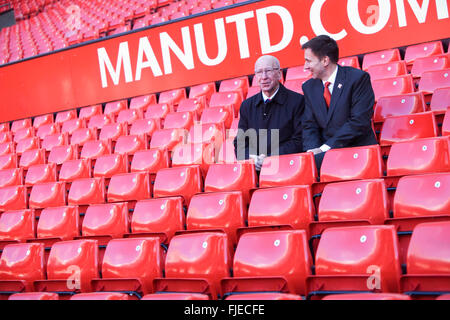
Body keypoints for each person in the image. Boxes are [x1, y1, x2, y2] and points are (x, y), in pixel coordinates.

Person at [301, 35, 378, 171]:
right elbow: (309, 125)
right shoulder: (309, 87)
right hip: (327, 157)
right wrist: (312, 151)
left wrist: (325, 149)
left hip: (358, 152)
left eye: (308, 61)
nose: (305, 67)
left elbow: (358, 122)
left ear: (325, 60)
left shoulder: (357, 79)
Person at [234, 55, 305, 171]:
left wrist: (270, 158)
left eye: (268, 71)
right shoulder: (247, 106)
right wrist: (252, 159)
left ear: (279, 73)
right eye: (259, 72)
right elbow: (240, 142)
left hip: (288, 168)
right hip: (256, 170)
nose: (264, 77)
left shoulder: (297, 101)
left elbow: (299, 140)